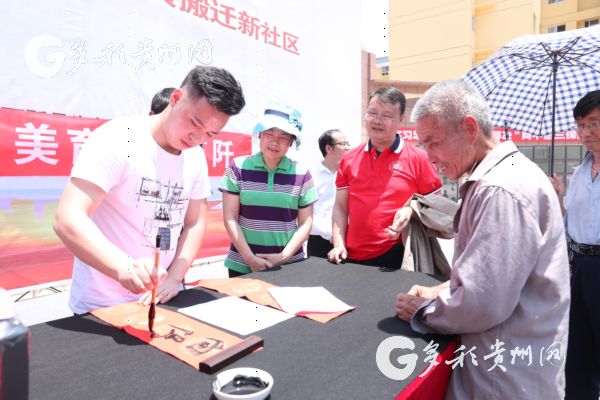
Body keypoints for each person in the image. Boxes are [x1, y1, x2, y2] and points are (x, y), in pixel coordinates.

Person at [395, 80, 570, 399]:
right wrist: (446, 289)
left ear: (469, 128)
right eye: (423, 146)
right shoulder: (506, 174)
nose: (430, 157)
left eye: (433, 142)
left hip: (504, 380)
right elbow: (502, 275)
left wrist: (426, 310)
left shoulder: (498, 189)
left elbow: (483, 302)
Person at [53, 66, 245, 314]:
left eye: (209, 134)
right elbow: (68, 218)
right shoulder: (119, 138)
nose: (196, 138)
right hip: (103, 303)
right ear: (176, 98)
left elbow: (195, 222)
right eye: (194, 123)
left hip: (165, 298)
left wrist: (176, 276)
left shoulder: (195, 157)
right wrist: (122, 267)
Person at [328, 87, 441, 268]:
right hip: (350, 257)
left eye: (387, 116)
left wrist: (411, 211)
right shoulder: (349, 158)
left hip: (398, 256)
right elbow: (340, 208)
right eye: (372, 113)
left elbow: (435, 204)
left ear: (401, 120)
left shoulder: (419, 158)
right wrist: (339, 244)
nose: (378, 121)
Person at [219, 103, 317, 276]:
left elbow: (305, 223)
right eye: (269, 133)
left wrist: (283, 256)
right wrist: (250, 258)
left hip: (289, 265)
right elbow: (230, 218)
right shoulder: (238, 167)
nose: (275, 141)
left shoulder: (302, 173)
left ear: (291, 142)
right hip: (241, 264)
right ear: (260, 135)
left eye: (283, 137)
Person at [549, 89, 600, 399]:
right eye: (581, 125)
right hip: (579, 266)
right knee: (578, 347)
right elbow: (571, 222)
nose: (586, 132)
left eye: (594, 123)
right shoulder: (580, 172)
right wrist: (559, 198)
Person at [307, 129, 350, 258]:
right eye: (343, 144)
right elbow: (307, 210)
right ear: (328, 148)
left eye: (348, 143)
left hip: (345, 239)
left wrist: (338, 237)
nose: (348, 148)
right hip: (317, 241)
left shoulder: (351, 172)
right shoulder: (310, 174)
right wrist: (328, 234)